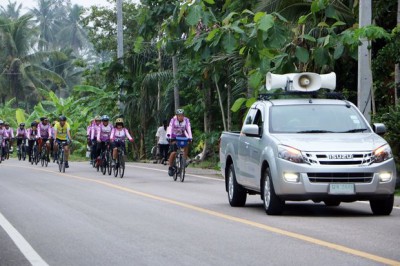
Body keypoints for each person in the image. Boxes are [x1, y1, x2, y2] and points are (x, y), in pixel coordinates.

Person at [167, 109, 193, 176]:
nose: (180, 117)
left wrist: (190, 137)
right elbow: (170, 128)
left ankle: (184, 160)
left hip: (182, 135)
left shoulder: (186, 120)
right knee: (174, 152)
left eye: (182, 116)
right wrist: (169, 136)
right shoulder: (173, 120)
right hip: (174, 136)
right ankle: (170, 167)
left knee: (186, 145)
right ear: (177, 116)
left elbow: (188, 129)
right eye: (179, 116)